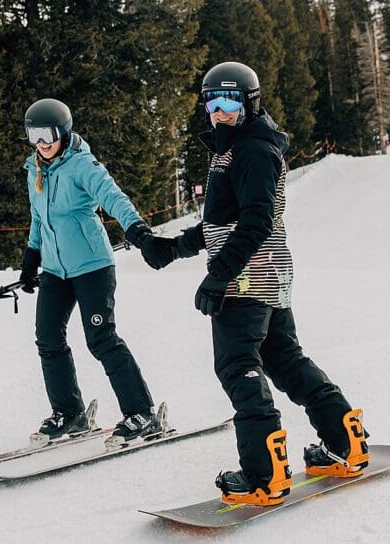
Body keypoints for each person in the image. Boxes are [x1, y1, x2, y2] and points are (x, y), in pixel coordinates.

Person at [141, 62, 369, 506]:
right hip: (266, 277)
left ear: (250, 103)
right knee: (285, 361)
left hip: (247, 279)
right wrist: (173, 248)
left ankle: (265, 476)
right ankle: (346, 442)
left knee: (236, 366)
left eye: (230, 101)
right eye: (212, 101)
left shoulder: (252, 151)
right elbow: (221, 222)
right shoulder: (238, 148)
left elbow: (256, 221)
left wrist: (218, 277)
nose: (220, 111)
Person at [18, 98, 171, 448]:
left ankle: (141, 413)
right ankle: (69, 413)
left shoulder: (82, 165)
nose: (41, 144)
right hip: (56, 269)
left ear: (63, 132)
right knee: (48, 338)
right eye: (33, 136)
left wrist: (138, 231)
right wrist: (32, 254)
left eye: (47, 135)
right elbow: (38, 217)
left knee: (101, 339)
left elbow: (113, 197)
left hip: (92, 266)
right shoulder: (35, 169)